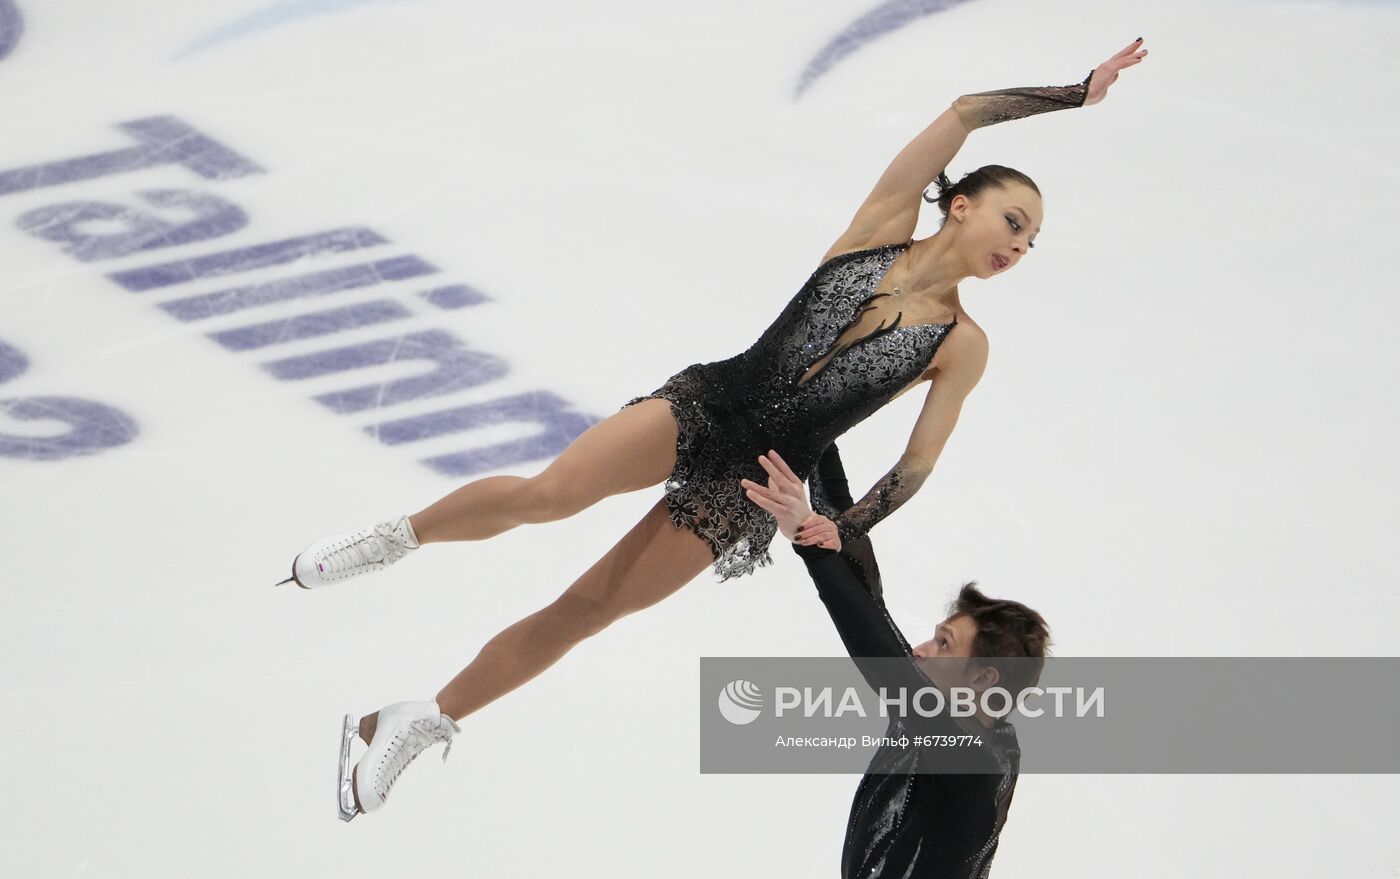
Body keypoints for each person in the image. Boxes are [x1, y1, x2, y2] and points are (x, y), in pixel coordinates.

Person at [278, 40, 1147, 821]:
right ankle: (395, 537)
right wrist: (1074, 93)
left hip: (753, 484)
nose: (1019, 246)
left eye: (1031, 243)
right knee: (551, 495)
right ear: (961, 204)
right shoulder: (882, 227)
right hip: (708, 406)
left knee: (589, 608)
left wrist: (836, 527)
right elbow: (962, 113)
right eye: (1014, 222)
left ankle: (417, 719)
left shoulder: (963, 344)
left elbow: (916, 465)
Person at [747, 445, 1051, 878]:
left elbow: (882, 657)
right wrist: (820, 436)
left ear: (984, 678)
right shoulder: (950, 721)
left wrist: (810, 545)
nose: (920, 650)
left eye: (944, 645)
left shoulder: (973, 764)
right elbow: (865, 591)